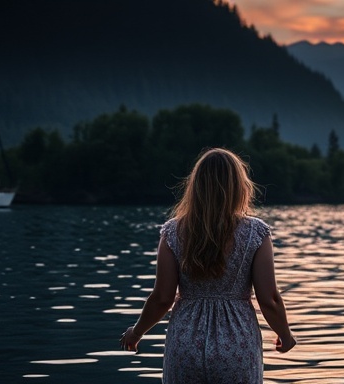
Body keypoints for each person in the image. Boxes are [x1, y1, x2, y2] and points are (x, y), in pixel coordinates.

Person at [119, 148, 296, 383]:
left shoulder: (173, 231)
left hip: (185, 344)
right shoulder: (256, 232)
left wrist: (136, 332)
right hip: (237, 345)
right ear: (239, 186)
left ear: (196, 186)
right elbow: (269, 298)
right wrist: (284, 334)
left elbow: (162, 297)